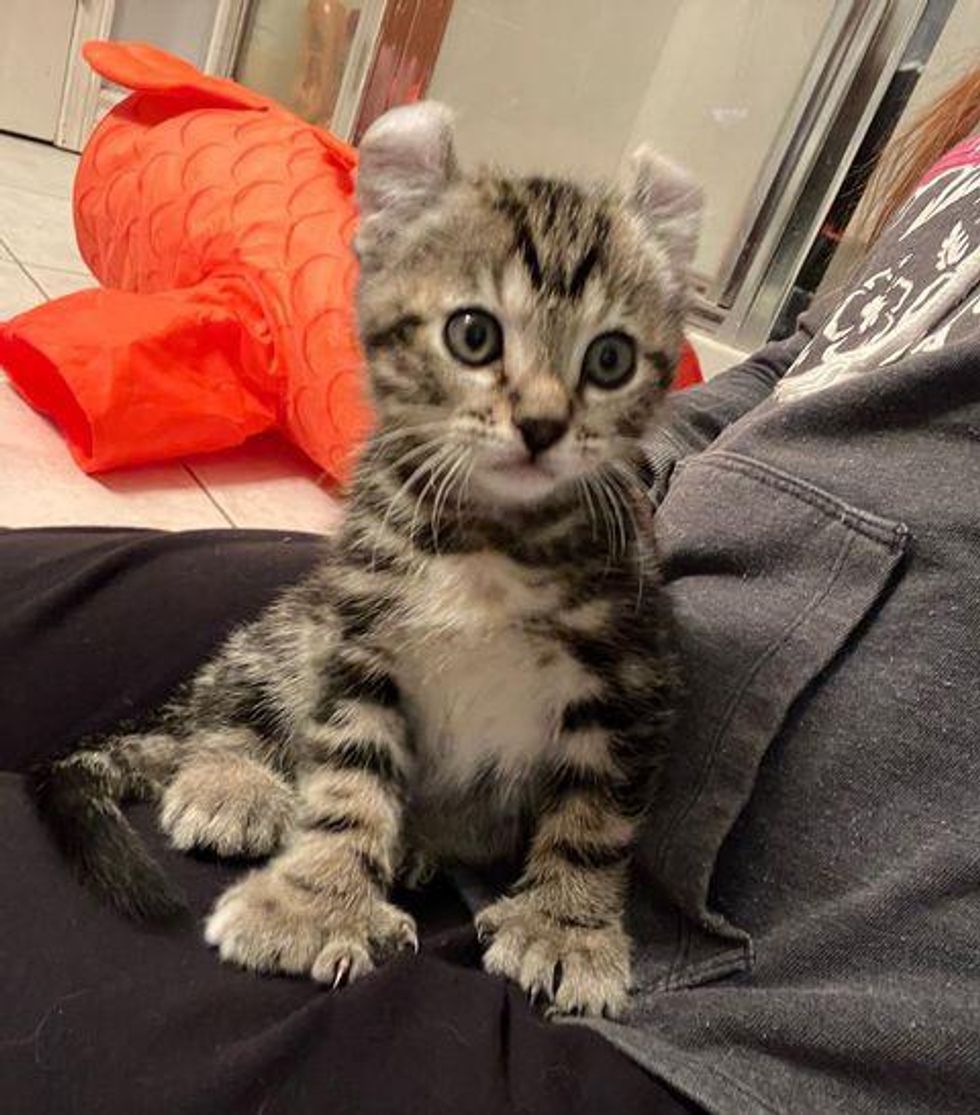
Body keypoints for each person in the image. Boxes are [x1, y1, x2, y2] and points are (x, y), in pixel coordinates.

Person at [2, 70, 979, 1115]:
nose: (542, 409)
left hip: (777, 966)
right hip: (497, 613)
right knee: (189, 618)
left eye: (600, 360)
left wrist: (570, 889)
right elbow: (784, 376)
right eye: (479, 340)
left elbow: (618, 705)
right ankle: (219, 746)